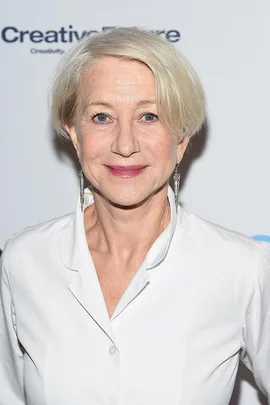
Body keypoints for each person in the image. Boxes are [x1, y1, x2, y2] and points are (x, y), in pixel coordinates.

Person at [0, 27, 269, 405]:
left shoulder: (242, 268)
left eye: (148, 116)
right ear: (73, 133)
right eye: (101, 118)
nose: (125, 144)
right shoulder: (24, 261)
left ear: (181, 140)